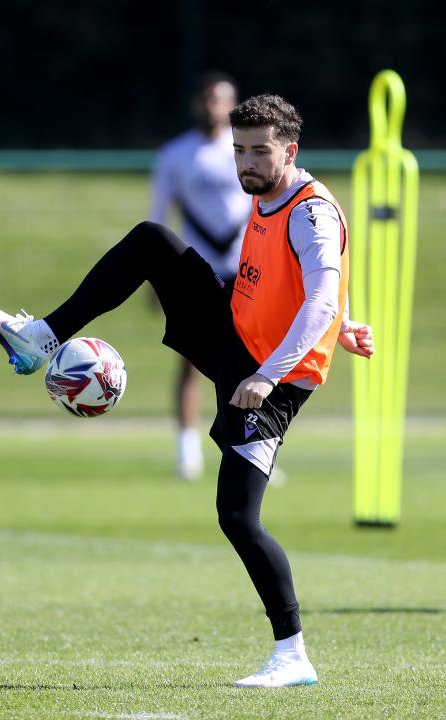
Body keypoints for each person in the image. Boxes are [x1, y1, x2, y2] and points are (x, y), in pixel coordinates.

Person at [0, 94, 374, 688]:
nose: (246, 163)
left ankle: (292, 654)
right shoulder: (268, 197)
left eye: (260, 152)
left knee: (238, 517)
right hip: (235, 338)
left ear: (291, 150)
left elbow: (320, 294)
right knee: (153, 241)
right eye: (239, 150)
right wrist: (341, 326)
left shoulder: (310, 212)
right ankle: (39, 339)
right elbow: (305, 291)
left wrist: (273, 370)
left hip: (270, 379)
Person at [149, 72, 252, 480]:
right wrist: (153, 276)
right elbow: (158, 214)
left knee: (251, 362)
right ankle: (187, 449)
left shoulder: (247, 151)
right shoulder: (176, 155)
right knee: (193, 359)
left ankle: (252, 447)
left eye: (221, 100)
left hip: (246, 270)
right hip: (197, 267)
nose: (214, 108)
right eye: (207, 99)